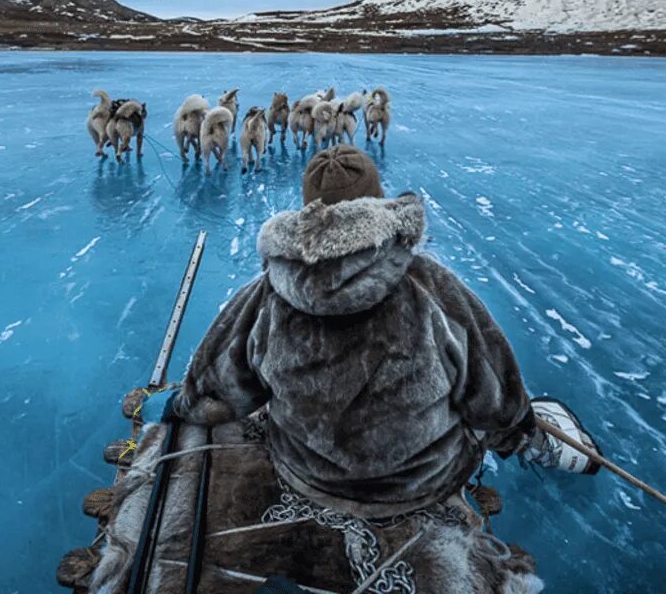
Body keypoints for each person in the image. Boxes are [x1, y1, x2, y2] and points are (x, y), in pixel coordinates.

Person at [172, 145, 593, 518]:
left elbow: (215, 390)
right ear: (378, 202)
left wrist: (183, 406)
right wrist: (516, 429)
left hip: (307, 475)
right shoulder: (431, 286)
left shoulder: (265, 294)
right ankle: (538, 446)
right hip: (420, 484)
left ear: (307, 212)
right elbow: (493, 397)